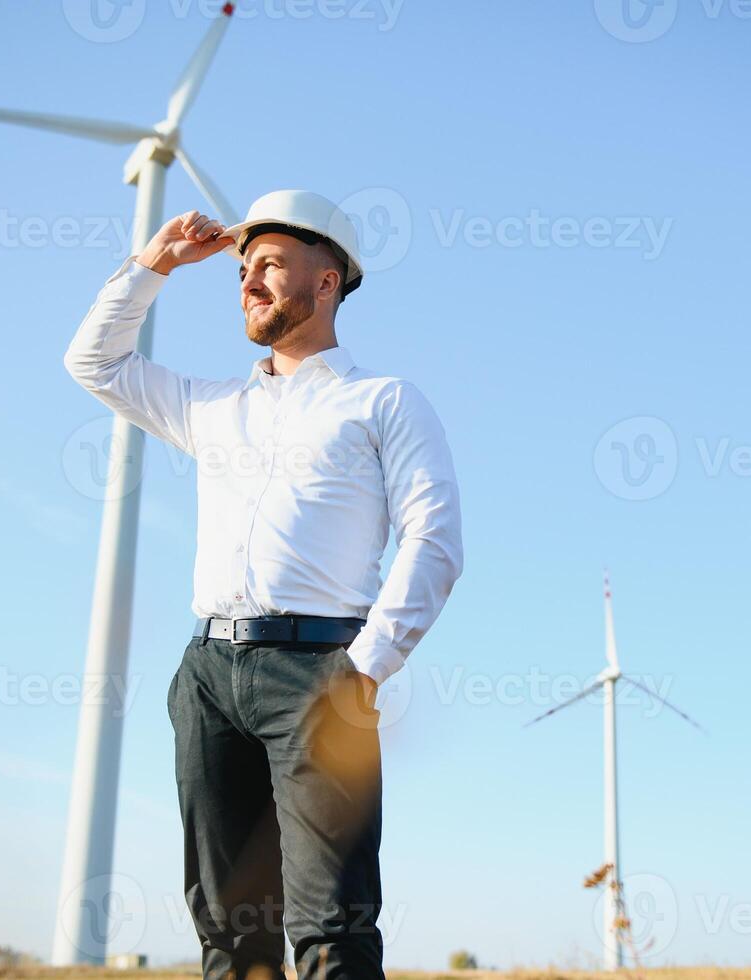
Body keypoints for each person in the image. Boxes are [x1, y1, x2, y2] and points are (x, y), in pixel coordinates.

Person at [64, 189, 464, 980]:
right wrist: (156, 265)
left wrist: (364, 670)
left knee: (331, 928)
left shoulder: (382, 401)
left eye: (271, 264)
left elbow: (435, 540)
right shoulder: (208, 406)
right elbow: (94, 362)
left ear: (326, 283)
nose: (248, 280)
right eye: (243, 268)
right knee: (227, 929)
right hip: (208, 676)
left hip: (321, 673)